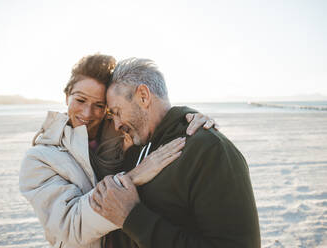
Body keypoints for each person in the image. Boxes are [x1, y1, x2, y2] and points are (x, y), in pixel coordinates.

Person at [19, 54, 216, 248]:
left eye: (99, 105)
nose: (87, 113)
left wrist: (187, 119)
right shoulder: (40, 159)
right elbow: (70, 227)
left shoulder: (126, 134)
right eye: (80, 100)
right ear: (66, 96)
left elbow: (154, 115)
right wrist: (134, 176)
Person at [90, 58, 261, 248]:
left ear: (144, 96)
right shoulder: (134, 151)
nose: (116, 124)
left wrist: (133, 217)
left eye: (117, 112)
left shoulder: (209, 150)